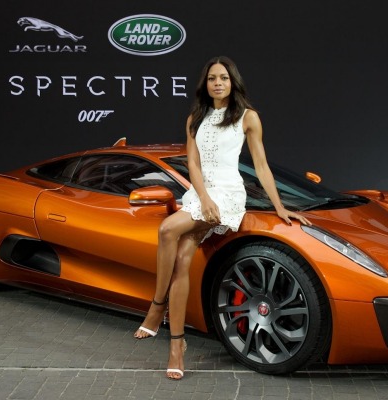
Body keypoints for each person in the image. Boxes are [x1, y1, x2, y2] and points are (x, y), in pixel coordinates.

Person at [133, 56, 311, 380]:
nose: (218, 83)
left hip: (228, 194)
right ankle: (177, 347)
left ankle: (157, 307)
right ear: (205, 84)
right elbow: (193, 164)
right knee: (181, 262)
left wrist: (279, 206)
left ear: (233, 82)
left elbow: (261, 166)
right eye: (212, 78)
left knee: (167, 229)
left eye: (224, 78)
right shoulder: (195, 118)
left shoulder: (248, 117)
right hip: (200, 194)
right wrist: (202, 198)